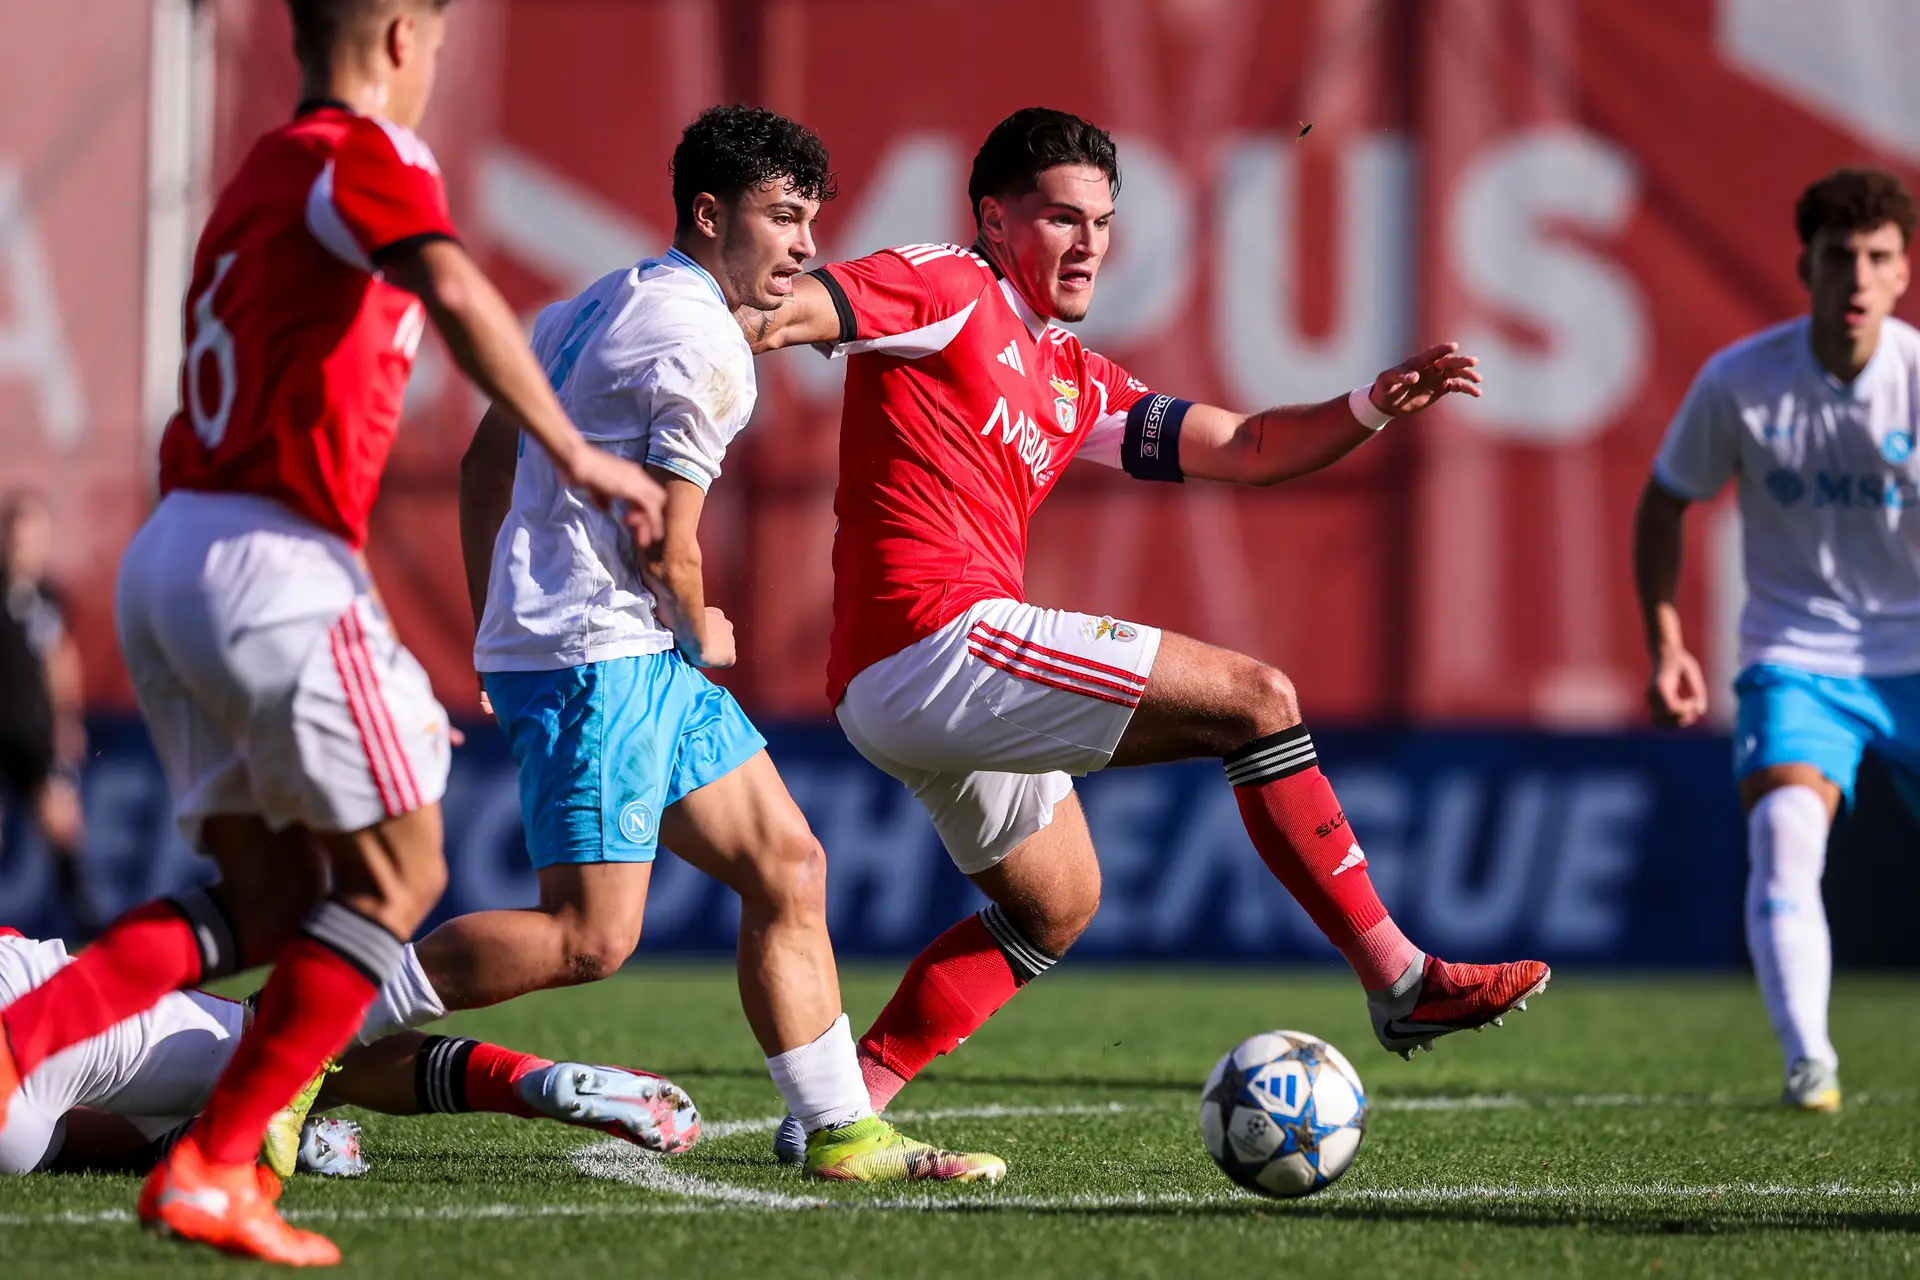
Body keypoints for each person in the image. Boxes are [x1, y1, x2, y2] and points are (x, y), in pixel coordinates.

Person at [743, 107, 1551, 1161]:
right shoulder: (948, 283)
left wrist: (1370, 402)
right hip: (936, 639)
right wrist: (728, 322)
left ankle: (844, 1109)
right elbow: (801, 310)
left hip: (903, 685)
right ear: (993, 217)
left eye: (1105, 221)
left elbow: (1252, 446)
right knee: (1258, 699)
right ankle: (1401, 977)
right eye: (1061, 218)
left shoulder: (1074, 377)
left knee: (1056, 902)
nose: (1088, 243)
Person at [0, 0, 667, 1263]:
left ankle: (36, 1052)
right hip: (277, 556)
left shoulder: (255, 171)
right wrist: (574, 449)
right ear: (405, 37)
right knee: (397, 875)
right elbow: (453, 283)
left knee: (272, 894)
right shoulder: (363, 151)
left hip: (174, 548)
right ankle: (208, 1161)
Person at [352, 105, 1002, 1184]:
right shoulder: (701, 340)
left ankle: (842, 1128)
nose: (804, 245)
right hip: (604, 656)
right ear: (710, 214)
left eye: (811, 220)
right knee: (588, 937)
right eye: (781, 218)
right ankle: (306, 1025)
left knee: (787, 863)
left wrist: (497, 624)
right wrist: (696, 620)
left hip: (607, 651)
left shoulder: (589, 301)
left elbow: (482, 463)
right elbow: (673, 538)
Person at [1634, 167, 1920, 1114]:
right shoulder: (1742, 381)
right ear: (1806, 266)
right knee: (1783, 834)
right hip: (1797, 654)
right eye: (1841, 258)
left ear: (1903, 272)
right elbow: (1666, 503)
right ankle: (1811, 1067)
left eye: (1879, 258)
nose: (1858, 278)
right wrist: (1669, 644)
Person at [0, 925, 694, 1178]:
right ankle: (522, 1080)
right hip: (31, 1005)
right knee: (280, 1035)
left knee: (77, 1146)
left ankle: (252, 1133)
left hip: (13, 1135)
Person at [0, 491, 95, 936]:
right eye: (20, 536)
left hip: (36, 738)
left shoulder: (49, 598)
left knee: (63, 830)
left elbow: (61, 661)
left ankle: (87, 932)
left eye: (36, 536)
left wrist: (66, 720)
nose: (27, 547)